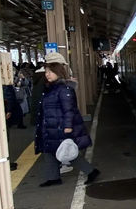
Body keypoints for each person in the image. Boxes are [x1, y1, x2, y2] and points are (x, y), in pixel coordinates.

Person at [35, 53, 100, 187]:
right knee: (49, 151)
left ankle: (91, 171)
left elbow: (69, 110)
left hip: (60, 127)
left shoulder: (63, 89)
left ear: (59, 71)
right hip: (52, 126)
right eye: (46, 72)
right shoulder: (51, 88)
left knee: (68, 153)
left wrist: (68, 127)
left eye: (50, 71)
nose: (47, 74)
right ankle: (53, 177)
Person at [3, 79, 23, 170]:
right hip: (2, 111)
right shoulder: (5, 82)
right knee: (3, 138)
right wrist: (9, 110)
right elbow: (9, 96)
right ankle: (4, 160)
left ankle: (3, 160)